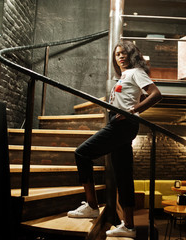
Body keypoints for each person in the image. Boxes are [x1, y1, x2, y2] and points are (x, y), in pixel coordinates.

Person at [67, 40, 162, 238]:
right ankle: (129, 226)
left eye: (124, 53)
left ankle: (92, 206)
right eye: (117, 54)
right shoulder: (124, 76)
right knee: (123, 176)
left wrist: (132, 110)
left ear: (131, 55)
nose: (120, 56)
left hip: (123, 125)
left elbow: (155, 94)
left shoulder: (136, 72)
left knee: (82, 153)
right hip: (120, 125)